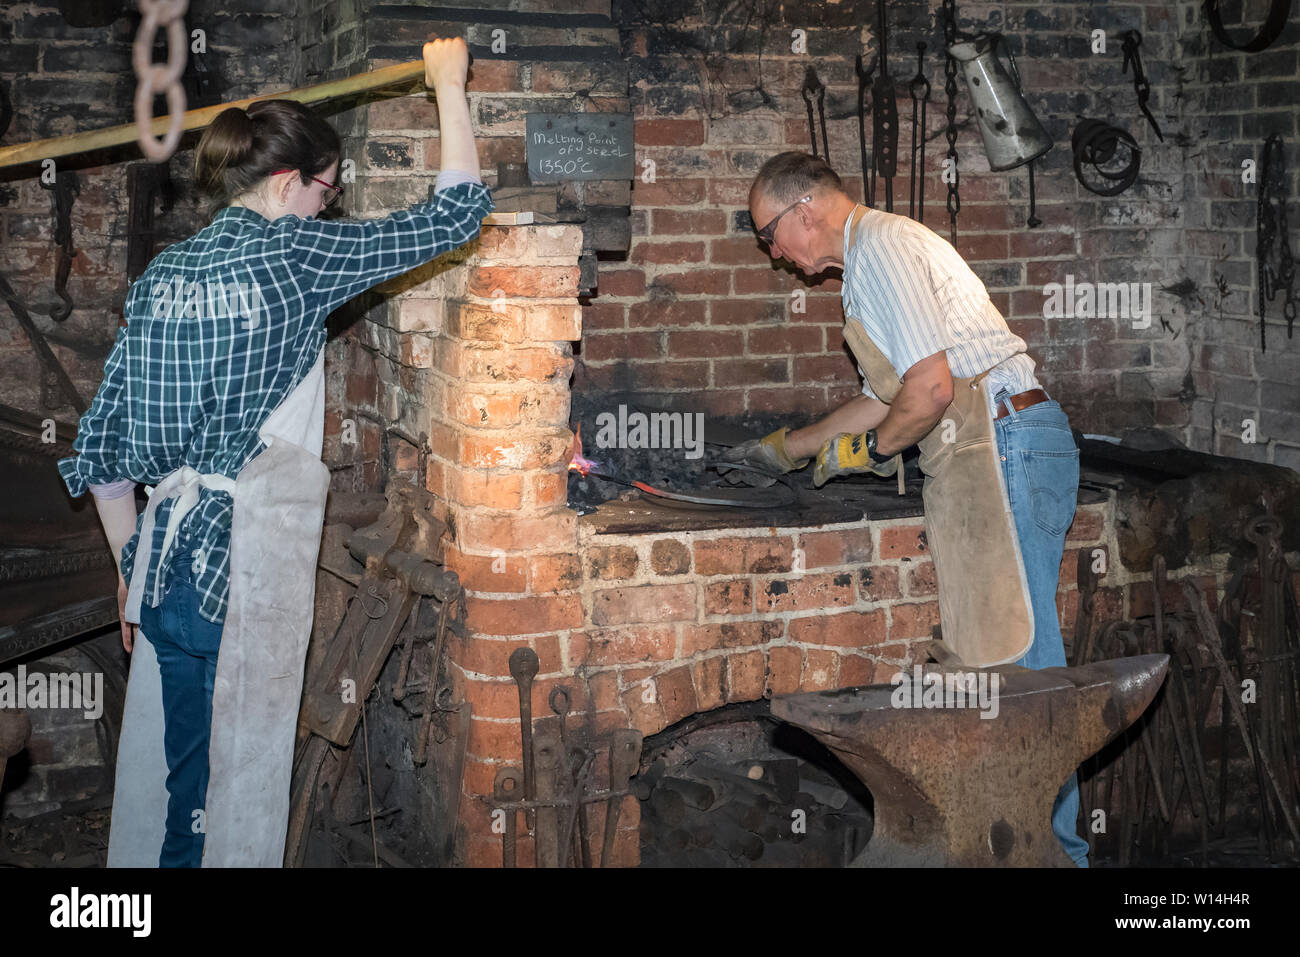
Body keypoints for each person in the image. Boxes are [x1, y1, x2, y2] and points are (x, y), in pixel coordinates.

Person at [56, 38, 492, 867]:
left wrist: (129, 565)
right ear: (291, 182)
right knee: (230, 785)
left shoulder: (163, 274)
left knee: (181, 776)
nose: (329, 211)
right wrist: (448, 85)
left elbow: (103, 451)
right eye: (327, 193)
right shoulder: (296, 253)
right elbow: (456, 216)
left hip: (165, 565)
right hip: (242, 569)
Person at [721, 151, 1088, 867]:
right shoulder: (864, 273)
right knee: (998, 662)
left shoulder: (883, 249)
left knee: (1021, 669)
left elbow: (930, 392)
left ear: (803, 212)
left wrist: (871, 451)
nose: (772, 252)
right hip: (989, 450)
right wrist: (795, 445)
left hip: (1004, 441)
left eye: (768, 234)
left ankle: (1058, 856)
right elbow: (890, 396)